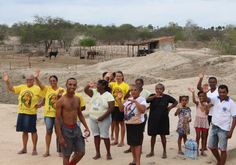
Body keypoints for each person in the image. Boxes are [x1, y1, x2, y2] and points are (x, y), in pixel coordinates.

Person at [2, 73, 44, 155]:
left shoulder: (37, 89)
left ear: (33, 81)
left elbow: (45, 97)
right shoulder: (22, 87)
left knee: (33, 131)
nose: (28, 81)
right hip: (21, 112)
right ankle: (24, 148)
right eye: (27, 80)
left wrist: (39, 105)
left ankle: (34, 149)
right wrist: (7, 81)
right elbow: (11, 89)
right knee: (24, 131)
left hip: (31, 113)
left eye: (30, 80)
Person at [55, 78, 90, 165]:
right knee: (66, 154)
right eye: (70, 84)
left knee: (81, 152)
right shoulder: (61, 101)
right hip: (65, 129)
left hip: (76, 128)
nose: (72, 86)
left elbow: (80, 114)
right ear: (66, 85)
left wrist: (86, 127)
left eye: (74, 85)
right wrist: (60, 137)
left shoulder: (77, 99)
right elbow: (56, 119)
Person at [203, 84, 236, 165]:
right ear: (218, 92)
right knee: (211, 147)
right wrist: (204, 93)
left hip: (224, 129)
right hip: (214, 127)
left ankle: (222, 163)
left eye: (224, 92)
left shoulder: (231, 103)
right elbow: (206, 99)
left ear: (227, 92)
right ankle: (219, 161)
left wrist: (231, 131)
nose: (222, 94)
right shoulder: (215, 99)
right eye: (220, 92)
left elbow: (234, 118)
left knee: (223, 149)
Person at [34, 70, 65, 157]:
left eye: (54, 80)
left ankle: (60, 151)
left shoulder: (62, 90)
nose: (52, 82)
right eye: (50, 81)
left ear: (57, 81)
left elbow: (64, 101)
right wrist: (36, 78)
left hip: (58, 116)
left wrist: (60, 96)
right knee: (48, 132)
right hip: (48, 115)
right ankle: (47, 151)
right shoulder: (47, 89)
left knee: (58, 132)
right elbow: (40, 85)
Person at [84, 79, 115, 160]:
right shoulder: (95, 92)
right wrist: (88, 85)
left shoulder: (108, 95)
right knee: (96, 135)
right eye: (96, 84)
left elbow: (112, 107)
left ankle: (108, 153)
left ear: (104, 86)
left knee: (105, 136)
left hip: (104, 118)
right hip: (92, 117)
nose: (97, 86)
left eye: (98, 85)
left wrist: (103, 117)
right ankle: (97, 153)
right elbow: (85, 91)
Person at [146, 83, 178, 159]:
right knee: (153, 135)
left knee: (163, 135)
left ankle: (164, 152)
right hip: (153, 119)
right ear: (155, 89)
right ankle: (151, 151)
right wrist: (155, 96)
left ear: (163, 90)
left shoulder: (166, 97)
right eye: (157, 89)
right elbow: (147, 100)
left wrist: (170, 108)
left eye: (160, 89)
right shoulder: (152, 96)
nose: (159, 90)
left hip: (163, 118)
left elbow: (175, 102)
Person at [117, 84, 147, 165]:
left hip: (137, 124)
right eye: (132, 90)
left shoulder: (142, 100)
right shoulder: (128, 100)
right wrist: (119, 99)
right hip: (129, 123)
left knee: (137, 143)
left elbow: (142, 110)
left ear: (140, 91)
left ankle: (138, 162)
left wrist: (136, 102)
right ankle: (134, 160)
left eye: (135, 90)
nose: (133, 92)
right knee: (131, 143)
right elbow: (121, 109)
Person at [123, 78, 151, 153]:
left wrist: (147, 107)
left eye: (139, 84)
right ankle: (132, 147)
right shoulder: (131, 96)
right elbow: (124, 99)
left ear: (142, 85)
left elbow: (149, 102)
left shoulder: (145, 93)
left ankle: (139, 146)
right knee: (131, 136)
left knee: (139, 133)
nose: (133, 91)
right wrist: (129, 90)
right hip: (130, 120)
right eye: (136, 84)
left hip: (141, 116)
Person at [106, 71, 129, 147]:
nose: (118, 77)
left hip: (121, 106)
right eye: (117, 76)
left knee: (122, 123)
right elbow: (105, 84)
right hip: (114, 105)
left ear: (122, 76)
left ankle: (122, 140)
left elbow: (129, 95)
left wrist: (125, 101)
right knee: (115, 123)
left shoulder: (125, 85)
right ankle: (116, 139)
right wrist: (108, 77)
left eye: (119, 76)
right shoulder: (113, 84)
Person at [197, 71, 218, 150]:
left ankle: (215, 146)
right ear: (209, 83)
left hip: (216, 113)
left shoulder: (219, 90)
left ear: (216, 83)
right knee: (205, 131)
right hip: (207, 113)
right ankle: (204, 146)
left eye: (213, 82)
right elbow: (199, 88)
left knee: (216, 130)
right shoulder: (207, 89)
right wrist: (200, 79)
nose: (212, 83)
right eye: (211, 82)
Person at [188, 88, 211, 157]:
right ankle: (197, 150)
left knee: (203, 136)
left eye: (202, 96)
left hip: (204, 121)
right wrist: (193, 93)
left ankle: (202, 151)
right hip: (198, 121)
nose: (201, 97)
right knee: (198, 136)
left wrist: (206, 106)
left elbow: (207, 113)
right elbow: (194, 100)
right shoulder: (198, 103)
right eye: (200, 96)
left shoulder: (207, 104)